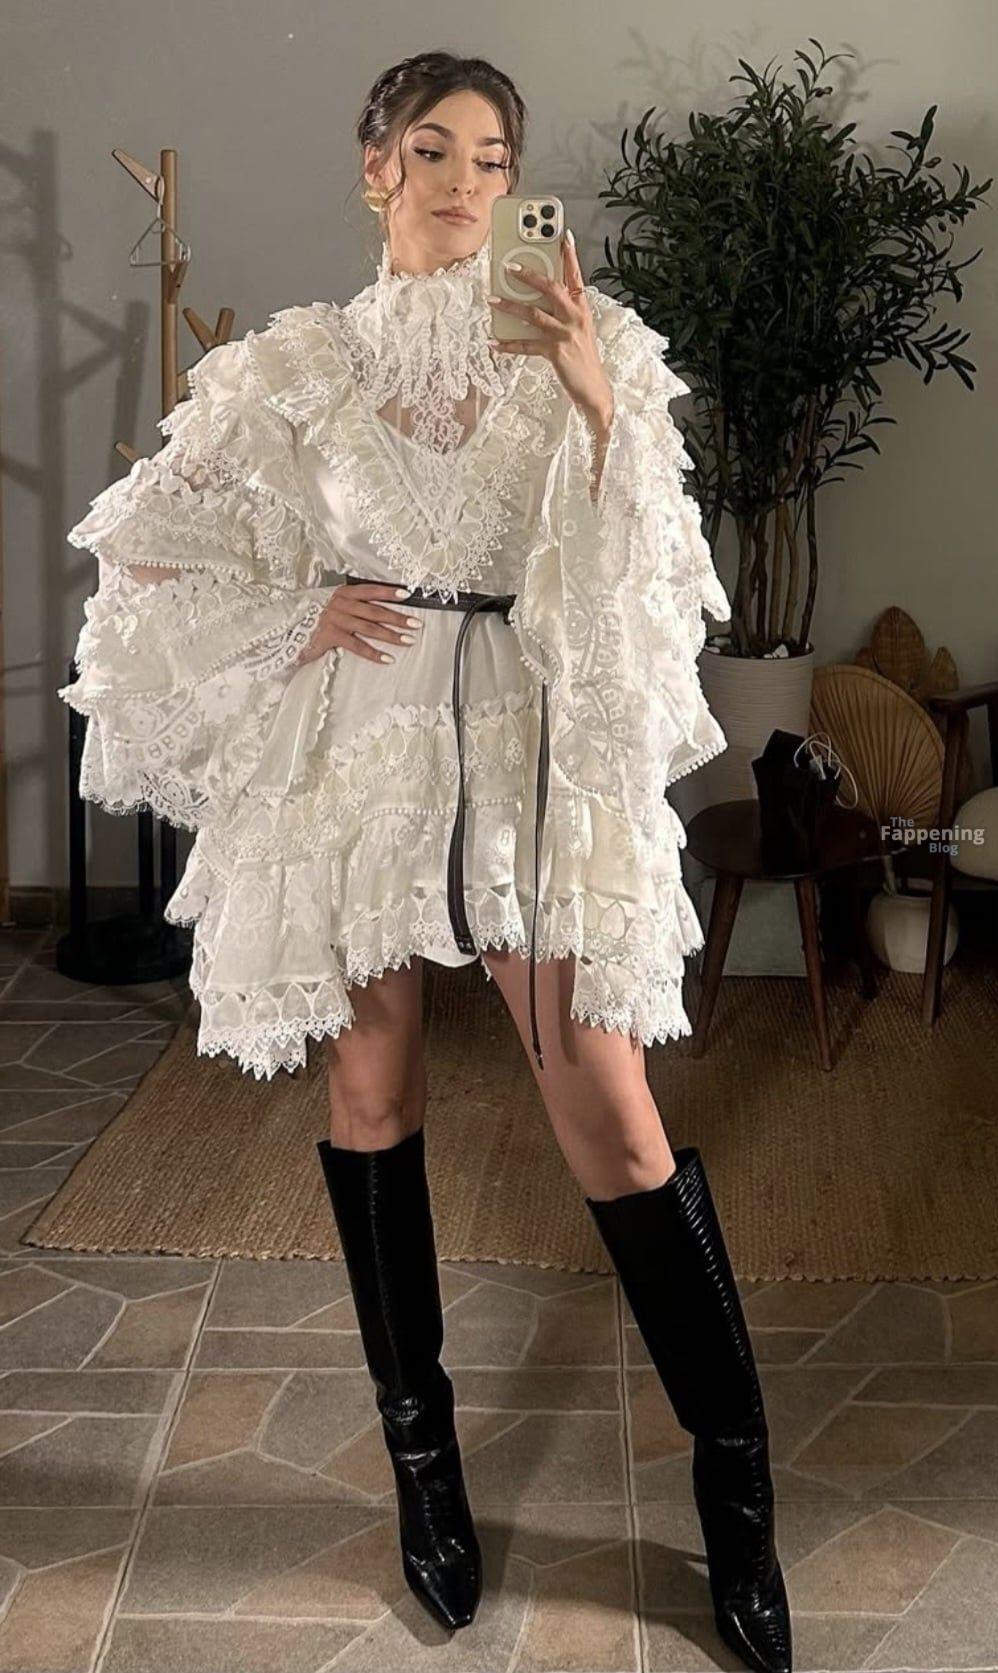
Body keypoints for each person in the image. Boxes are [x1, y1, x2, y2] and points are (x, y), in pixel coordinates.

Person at [60, 49, 791, 1673]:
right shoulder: (295, 367)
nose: (467, 181)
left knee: (609, 1113)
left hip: (522, 755)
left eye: (495, 157)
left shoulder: (591, 344)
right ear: (374, 166)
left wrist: (592, 397)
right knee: (372, 1088)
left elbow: (647, 579)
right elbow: (149, 553)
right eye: (435, 150)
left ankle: (736, 1491)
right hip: (365, 761)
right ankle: (426, 1476)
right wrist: (294, 611)